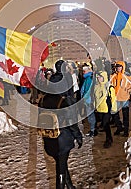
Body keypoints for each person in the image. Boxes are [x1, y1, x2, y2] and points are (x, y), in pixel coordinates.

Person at [40, 60, 83, 188]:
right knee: (61, 168)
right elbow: (71, 122)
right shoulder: (63, 101)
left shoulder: (43, 100)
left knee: (61, 164)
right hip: (62, 139)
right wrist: (78, 136)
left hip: (49, 138)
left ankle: (70, 186)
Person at [110, 61, 131, 137]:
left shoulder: (126, 76)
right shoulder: (114, 76)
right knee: (115, 114)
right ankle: (119, 127)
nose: (118, 68)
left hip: (124, 98)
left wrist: (127, 91)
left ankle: (126, 130)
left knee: (125, 115)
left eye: (120, 66)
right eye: (117, 66)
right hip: (116, 98)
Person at [80, 65, 96, 137]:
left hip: (89, 100)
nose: (83, 72)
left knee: (91, 116)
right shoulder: (88, 78)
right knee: (90, 115)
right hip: (87, 100)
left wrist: (85, 98)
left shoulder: (89, 78)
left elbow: (89, 91)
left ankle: (93, 130)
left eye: (84, 71)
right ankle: (93, 129)